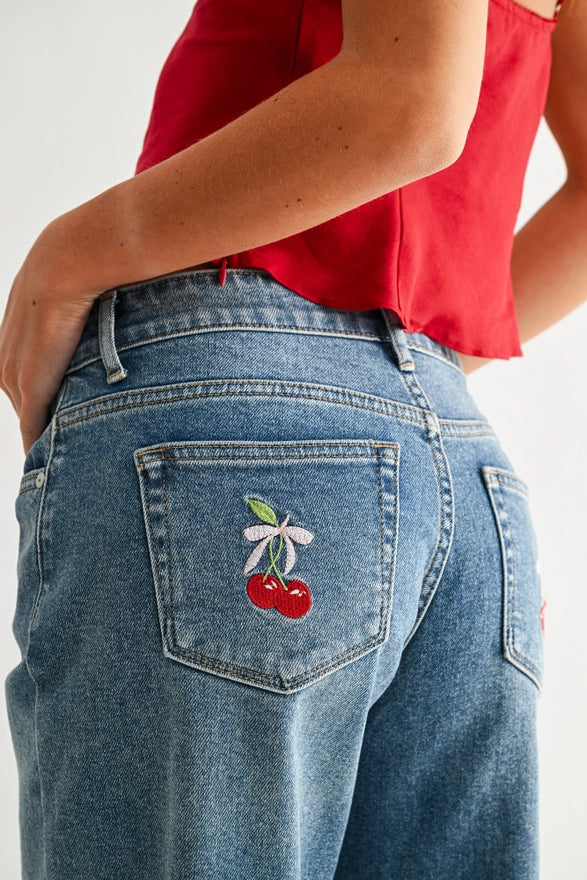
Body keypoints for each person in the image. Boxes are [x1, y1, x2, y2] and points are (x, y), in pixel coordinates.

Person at [1, 0, 584, 877]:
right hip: (463, 475)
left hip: (231, 412)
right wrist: (401, 382)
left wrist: (67, 257)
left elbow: (412, 100)